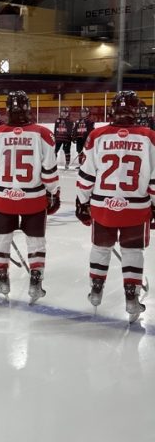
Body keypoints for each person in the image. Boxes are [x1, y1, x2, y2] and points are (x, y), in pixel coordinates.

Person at [75, 91, 154, 322]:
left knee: (100, 249)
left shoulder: (97, 135)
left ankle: (96, 291)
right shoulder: (149, 136)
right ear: (135, 110)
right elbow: (154, 179)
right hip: (136, 207)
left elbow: (86, 175)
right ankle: (132, 298)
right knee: (133, 253)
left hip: (103, 206)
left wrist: (82, 201)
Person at [0, 91, 60, 303]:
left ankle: (2, 278)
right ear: (28, 108)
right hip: (33, 198)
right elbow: (49, 171)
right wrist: (53, 192)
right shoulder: (42, 133)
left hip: (3, 197)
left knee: (1, 239)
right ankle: (36, 281)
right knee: (36, 242)